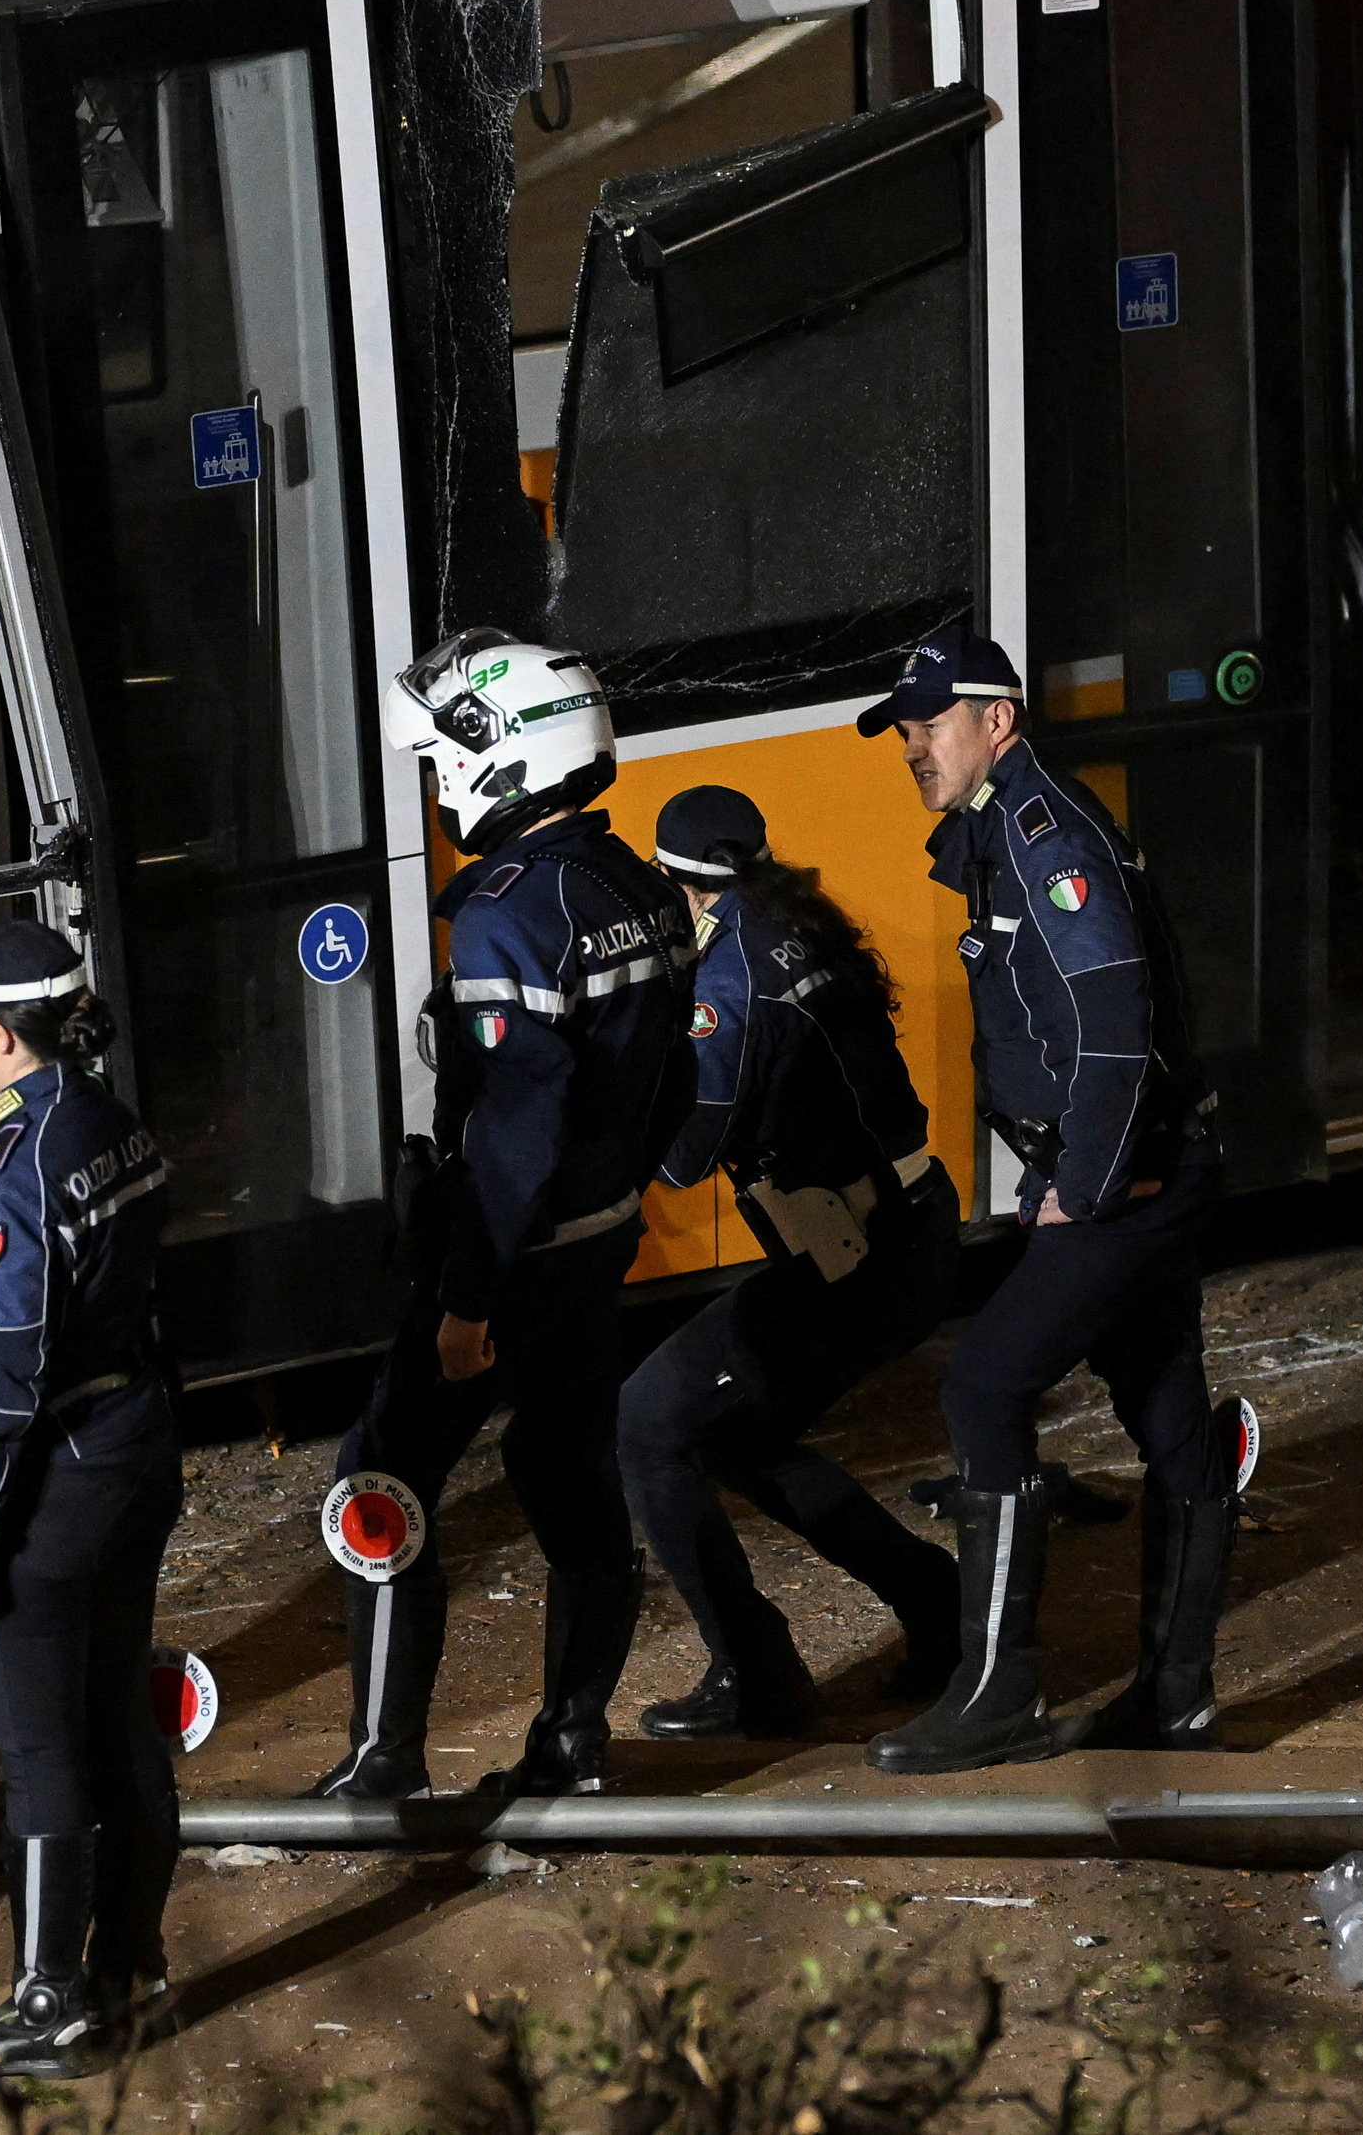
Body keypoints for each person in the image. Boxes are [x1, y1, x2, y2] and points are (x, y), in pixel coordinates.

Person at [854, 626, 1256, 1771]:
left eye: (928, 726)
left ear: (998, 720)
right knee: (1167, 1412)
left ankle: (997, 1696)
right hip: (1131, 1168)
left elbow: (1115, 1034)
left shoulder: (1044, 838)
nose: (912, 749)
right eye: (905, 731)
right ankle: (1174, 1701)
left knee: (985, 1382)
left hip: (1131, 1178)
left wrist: (1077, 1188)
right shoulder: (1000, 834)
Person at [312, 630, 695, 1798]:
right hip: (602, 1241)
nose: (437, 786)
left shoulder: (505, 918)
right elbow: (675, 1082)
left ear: (504, 759)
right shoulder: (639, 884)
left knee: (378, 1478)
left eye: (441, 761)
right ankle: (573, 1741)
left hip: (507, 1258)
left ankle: (383, 1760)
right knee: (566, 1469)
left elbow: (514, 1134)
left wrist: (466, 1302)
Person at [611, 785, 970, 1736]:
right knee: (734, 1434)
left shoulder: (726, 984)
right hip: (900, 1233)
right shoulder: (783, 920)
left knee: (649, 1421)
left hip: (861, 1258)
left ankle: (759, 1676)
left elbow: (683, 1156)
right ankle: (934, 1598)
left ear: (677, 883)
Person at [0, 914, 182, 2078]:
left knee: (39, 1751)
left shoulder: (12, 1175)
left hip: (48, 1483)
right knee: (120, 1717)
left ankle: (49, 1999)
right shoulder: (99, 1119)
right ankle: (128, 1966)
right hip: (130, 1451)